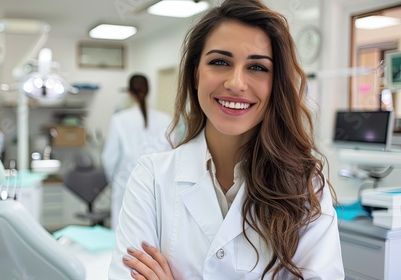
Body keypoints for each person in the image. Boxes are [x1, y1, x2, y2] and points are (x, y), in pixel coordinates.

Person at [108, 0, 345, 279]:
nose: (235, 83)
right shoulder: (150, 177)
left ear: (276, 83)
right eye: (220, 62)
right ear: (196, 74)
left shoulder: (305, 186)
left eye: (257, 67)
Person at [101, 74, 172, 231]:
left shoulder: (119, 119)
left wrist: (115, 180)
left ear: (129, 92)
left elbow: (109, 158)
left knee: (124, 233)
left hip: (125, 183)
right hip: (158, 185)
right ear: (148, 91)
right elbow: (171, 156)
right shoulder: (165, 119)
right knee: (154, 232)